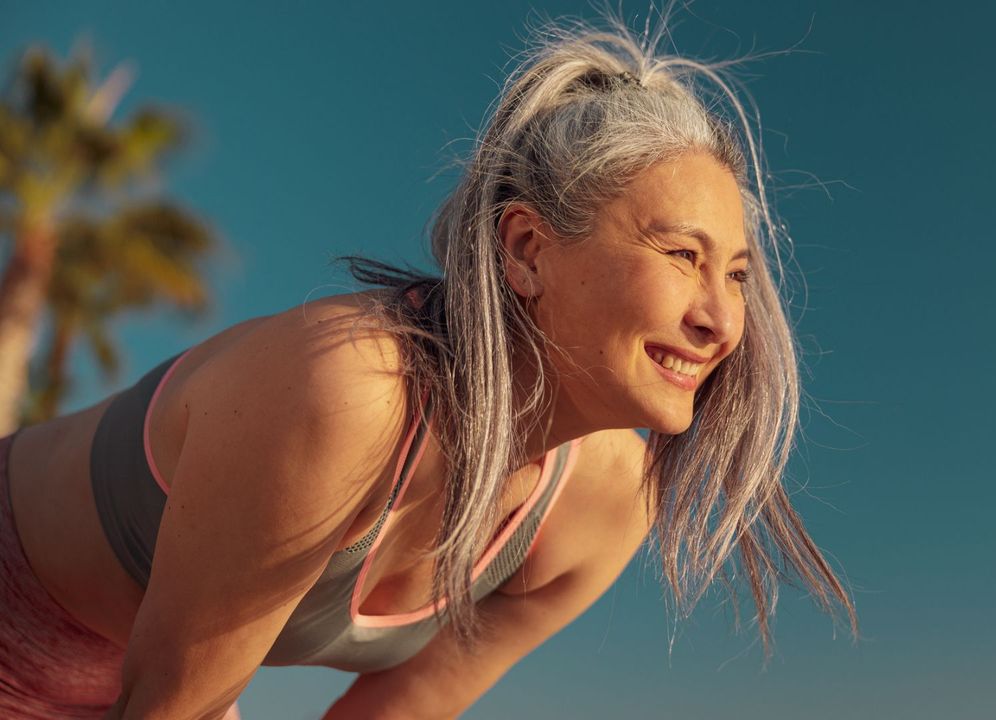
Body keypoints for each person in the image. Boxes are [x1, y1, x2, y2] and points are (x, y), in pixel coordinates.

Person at [0, 11, 857, 719]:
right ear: (526, 250)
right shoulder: (351, 393)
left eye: (737, 275)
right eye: (680, 254)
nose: (718, 318)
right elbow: (171, 707)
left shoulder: (603, 506)